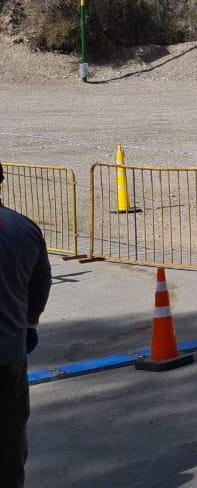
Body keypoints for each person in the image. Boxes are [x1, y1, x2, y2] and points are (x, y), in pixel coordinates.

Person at [0, 164, 52, 488]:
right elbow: (41, 282)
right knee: (9, 436)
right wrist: (30, 323)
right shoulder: (23, 228)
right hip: (8, 352)